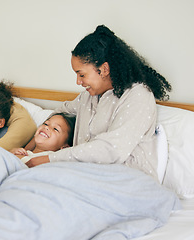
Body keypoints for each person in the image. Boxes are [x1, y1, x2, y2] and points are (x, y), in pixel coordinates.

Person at [25, 25, 171, 179]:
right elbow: (57, 114)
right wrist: (29, 151)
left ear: (104, 69)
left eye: (81, 75)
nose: (78, 81)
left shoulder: (137, 95)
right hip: (83, 177)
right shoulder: (87, 98)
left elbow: (111, 149)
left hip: (125, 182)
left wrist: (48, 159)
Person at [11, 113, 75, 164]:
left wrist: (14, 156)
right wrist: (11, 152)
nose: (46, 127)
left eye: (55, 129)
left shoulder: (51, 158)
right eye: (46, 124)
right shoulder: (24, 152)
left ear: (64, 148)